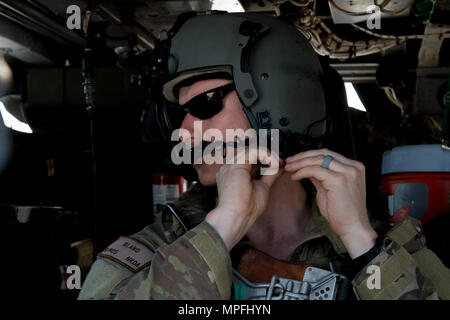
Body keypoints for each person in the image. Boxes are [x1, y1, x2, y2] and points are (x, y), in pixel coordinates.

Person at [78, 12, 450, 300]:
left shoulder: (387, 247)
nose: (185, 132)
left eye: (206, 105)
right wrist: (224, 225)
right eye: (178, 115)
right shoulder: (153, 249)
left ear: (284, 100)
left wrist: (361, 244)